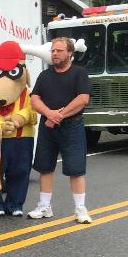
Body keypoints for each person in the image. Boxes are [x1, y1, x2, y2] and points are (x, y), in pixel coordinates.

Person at [27, 36, 92, 223]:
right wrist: (49, 114)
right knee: (44, 167)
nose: (54, 53)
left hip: (72, 126)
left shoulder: (79, 73)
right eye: (53, 51)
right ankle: (44, 206)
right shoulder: (44, 75)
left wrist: (58, 116)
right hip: (48, 128)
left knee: (76, 169)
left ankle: (80, 209)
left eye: (59, 51)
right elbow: (35, 99)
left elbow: (83, 99)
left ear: (70, 53)